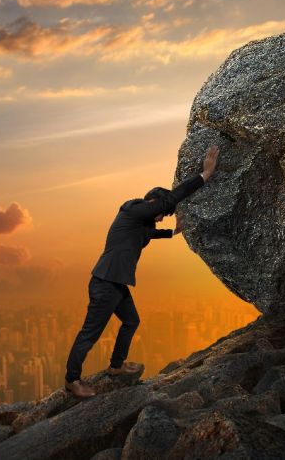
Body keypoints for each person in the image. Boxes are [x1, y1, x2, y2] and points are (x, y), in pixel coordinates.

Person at [64, 144, 220, 397]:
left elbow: (152, 233)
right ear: (152, 203)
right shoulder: (132, 209)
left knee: (131, 321)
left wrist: (172, 232)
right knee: (90, 334)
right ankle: (72, 381)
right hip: (105, 283)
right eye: (161, 213)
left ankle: (116, 366)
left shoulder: (141, 224)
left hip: (115, 283)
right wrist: (204, 175)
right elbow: (170, 199)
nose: (160, 218)